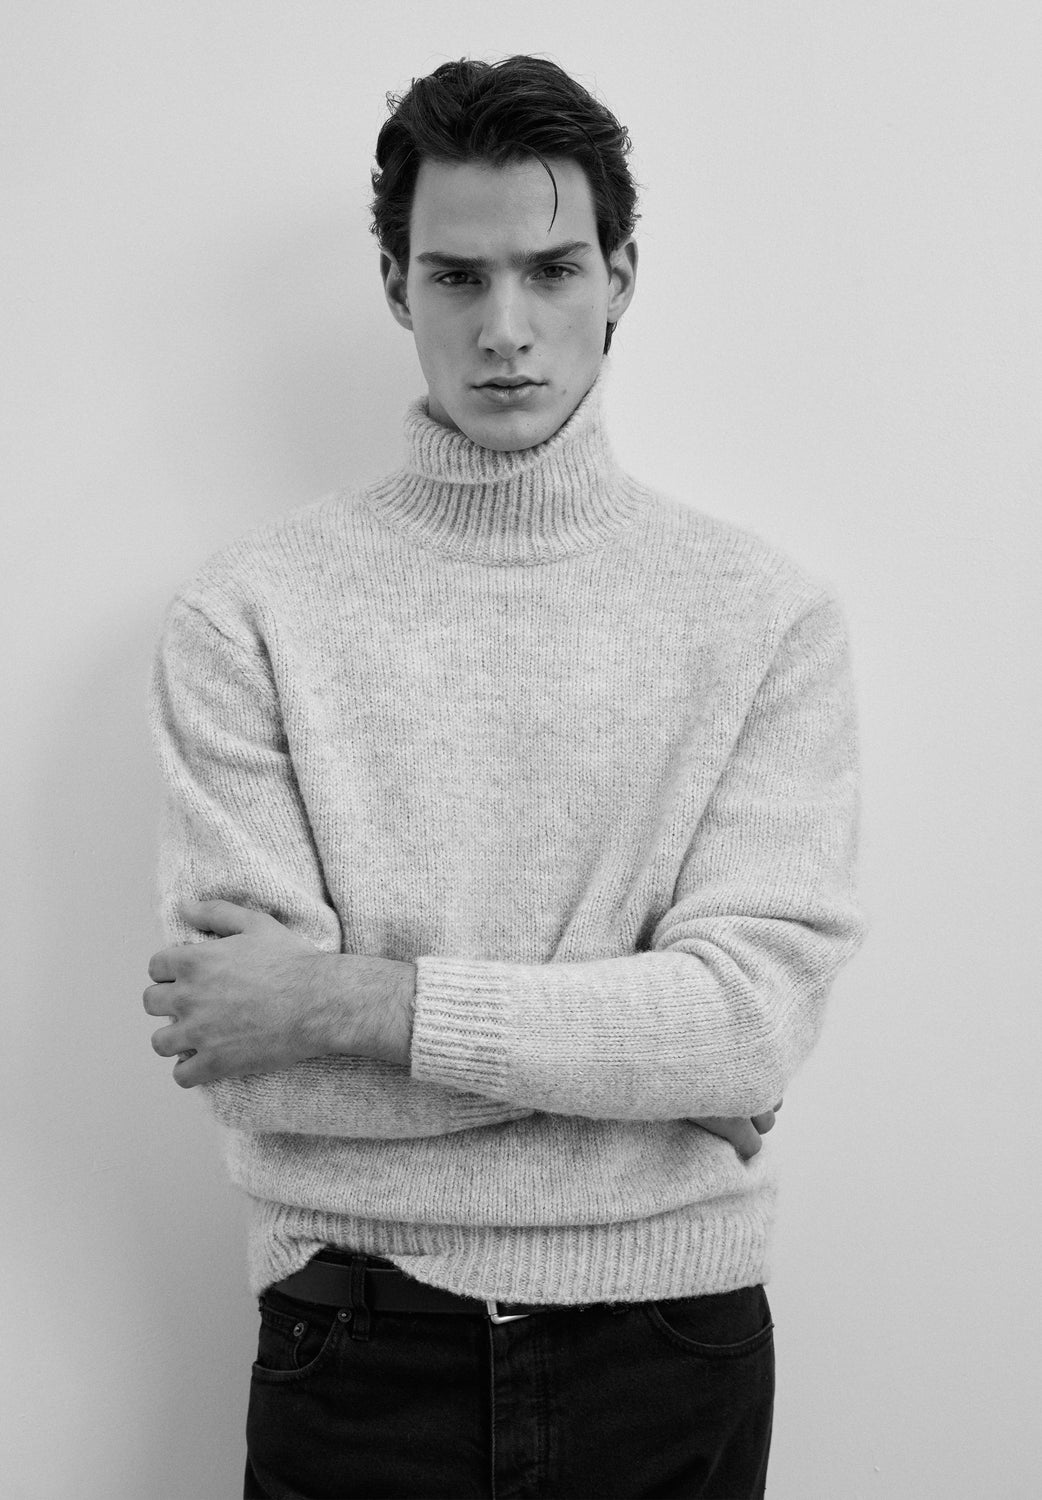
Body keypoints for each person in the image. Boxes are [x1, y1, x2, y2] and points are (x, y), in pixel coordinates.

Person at [145, 54, 863, 1500]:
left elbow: (745, 1033)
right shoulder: (249, 614)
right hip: (356, 1340)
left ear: (621, 276)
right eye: (458, 278)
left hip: (669, 1343)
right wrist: (642, 1071)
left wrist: (351, 1000)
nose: (506, 329)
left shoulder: (761, 617)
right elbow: (255, 1064)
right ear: (396, 287)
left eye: (551, 270)